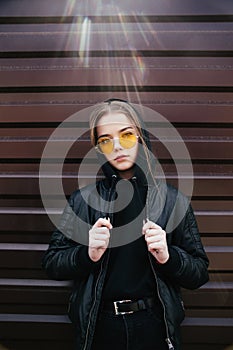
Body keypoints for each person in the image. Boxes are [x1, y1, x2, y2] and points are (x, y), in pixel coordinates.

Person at [42, 99, 209, 350]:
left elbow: (199, 272)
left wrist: (168, 256)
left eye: (127, 135)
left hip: (155, 324)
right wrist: (86, 254)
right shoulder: (83, 201)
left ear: (141, 138)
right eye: (106, 140)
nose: (118, 146)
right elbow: (53, 263)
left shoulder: (173, 201)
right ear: (99, 149)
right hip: (100, 325)